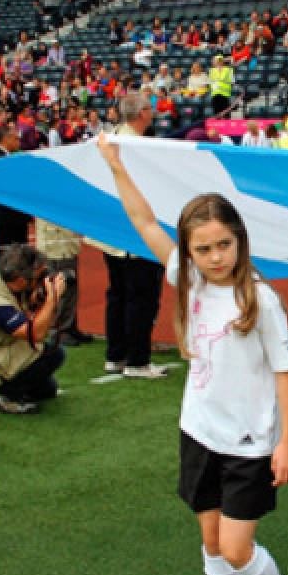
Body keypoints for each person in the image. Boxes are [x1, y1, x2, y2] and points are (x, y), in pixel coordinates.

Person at [99, 133, 288, 575]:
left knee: (236, 547)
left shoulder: (260, 300)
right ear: (189, 251)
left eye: (224, 245)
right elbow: (143, 220)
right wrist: (114, 164)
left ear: (240, 241)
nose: (215, 257)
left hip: (250, 445)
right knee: (211, 543)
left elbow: (286, 370)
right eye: (203, 248)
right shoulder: (184, 278)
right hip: (199, 434)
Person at [0, 244, 68, 414]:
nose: (41, 279)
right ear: (20, 280)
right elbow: (36, 334)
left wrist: (37, 297)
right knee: (54, 355)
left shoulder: (1, 274)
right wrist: (52, 299)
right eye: (37, 277)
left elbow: (25, 307)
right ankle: (2, 393)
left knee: (47, 390)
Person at [105, 94, 168, 379]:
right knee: (140, 297)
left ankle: (116, 355)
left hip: (112, 232)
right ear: (142, 113)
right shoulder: (135, 145)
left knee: (118, 295)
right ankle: (137, 360)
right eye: (149, 108)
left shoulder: (110, 137)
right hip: (135, 233)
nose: (152, 112)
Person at [34, 216, 93, 347]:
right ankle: (59, 331)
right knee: (60, 287)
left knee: (70, 287)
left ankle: (69, 326)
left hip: (64, 237)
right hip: (55, 240)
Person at [0, 126, 32, 261]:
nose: (19, 142)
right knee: (6, 257)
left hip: (9, 216)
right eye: (16, 139)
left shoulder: (2, 157)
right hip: (8, 217)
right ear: (6, 139)